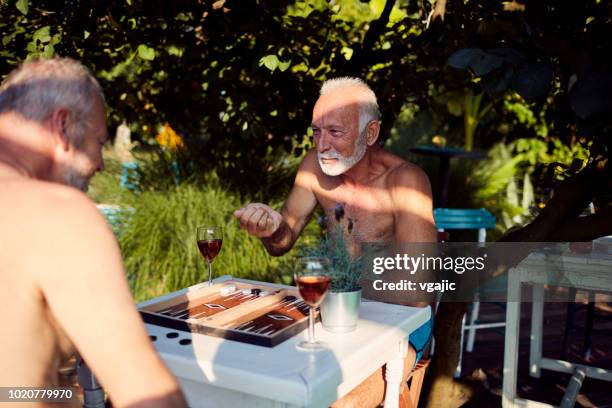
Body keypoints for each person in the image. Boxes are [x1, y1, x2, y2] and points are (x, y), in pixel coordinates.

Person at [234, 77, 436, 407]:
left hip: (400, 323)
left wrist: (344, 290)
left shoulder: (405, 181)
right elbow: (283, 239)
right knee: (256, 381)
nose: (322, 144)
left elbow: (417, 291)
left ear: (370, 133)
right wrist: (271, 228)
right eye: (316, 131)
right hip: (334, 316)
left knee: (340, 402)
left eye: (335, 132)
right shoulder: (314, 168)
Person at [0, 58, 186, 407]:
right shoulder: (56, 214)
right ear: (63, 126)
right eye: (99, 141)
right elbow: (147, 395)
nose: (101, 163)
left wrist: (63, 398)